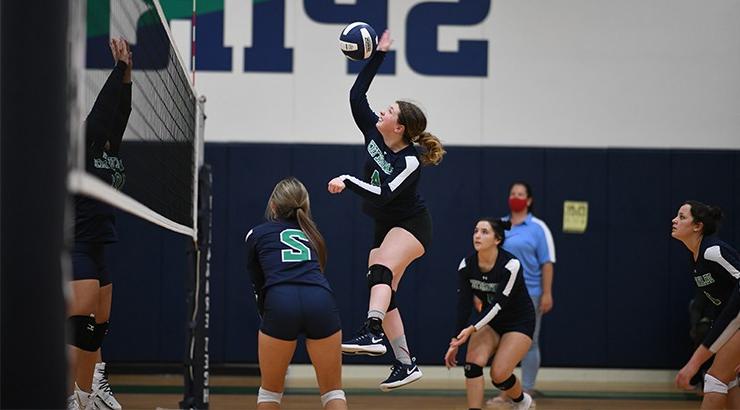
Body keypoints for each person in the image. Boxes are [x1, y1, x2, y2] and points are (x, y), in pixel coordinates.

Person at [327, 29, 446, 391]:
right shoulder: (375, 133)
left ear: (401, 127)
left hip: (411, 225)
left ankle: (371, 332)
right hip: (386, 225)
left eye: (390, 110)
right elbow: (356, 94)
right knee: (382, 285)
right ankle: (406, 363)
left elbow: (382, 195)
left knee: (380, 267)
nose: (382, 110)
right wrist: (377, 55)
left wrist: (348, 179)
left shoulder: (410, 161)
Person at [67, 38, 131, 410]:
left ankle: (90, 393)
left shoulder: (107, 148)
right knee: (81, 321)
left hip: (99, 244)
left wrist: (129, 74)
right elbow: (104, 111)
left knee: (98, 325)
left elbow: (120, 112)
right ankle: (69, 396)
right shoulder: (79, 145)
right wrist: (117, 69)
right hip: (76, 242)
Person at [245, 177, 347, 410]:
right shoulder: (313, 235)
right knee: (333, 391)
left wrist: (269, 317)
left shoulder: (256, 234)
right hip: (320, 300)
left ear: (273, 206)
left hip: (281, 301)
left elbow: (257, 282)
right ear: (305, 206)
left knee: (270, 393)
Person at [444, 218, 535, 410]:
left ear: (497, 239)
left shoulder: (511, 265)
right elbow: (464, 305)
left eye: (485, 232)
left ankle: (522, 401)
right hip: (491, 323)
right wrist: (455, 340)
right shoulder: (467, 265)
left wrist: (473, 328)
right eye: (476, 231)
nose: (477, 235)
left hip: (518, 322)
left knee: (499, 375)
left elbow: (499, 305)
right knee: (472, 365)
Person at [489, 181, 555, 405]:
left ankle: (526, 389)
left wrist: (547, 293)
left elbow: (547, 263)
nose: (515, 197)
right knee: (500, 341)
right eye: (512, 193)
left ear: (528, 200)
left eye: (520, 194)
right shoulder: (500, 225)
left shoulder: (538, 228)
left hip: (531, 293)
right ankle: (506, 391)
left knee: (530, 341)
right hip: (501, 293)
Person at [671, 200, 740, 409]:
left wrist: (693, 363)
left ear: (697, 226)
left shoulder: (713, 251)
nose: (674, 220)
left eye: (682, 217)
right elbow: (724, 306)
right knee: (729, 381)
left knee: (714, 380)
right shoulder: (696, 258)